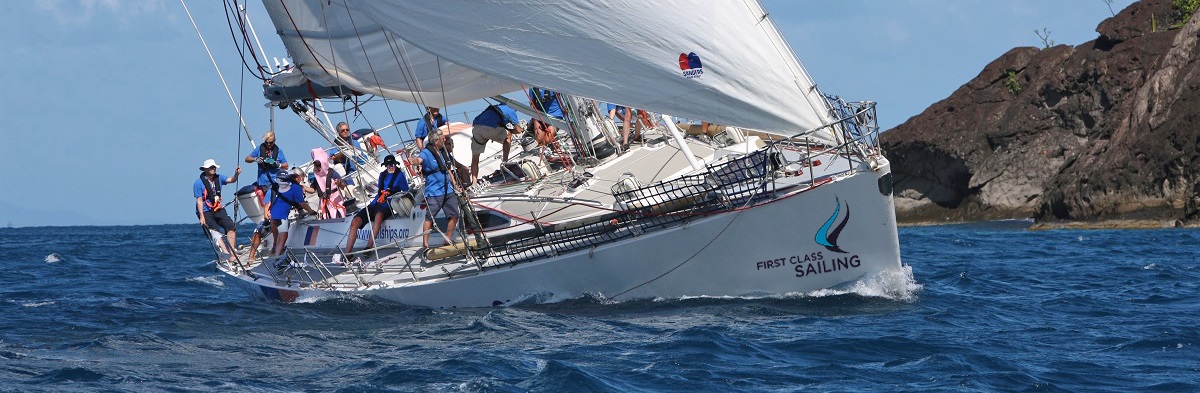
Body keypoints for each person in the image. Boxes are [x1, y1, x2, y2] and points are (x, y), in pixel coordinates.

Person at [344, 154, 410, 256]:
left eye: (393, 164)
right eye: (389, 165)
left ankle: (368, 247)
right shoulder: (382, 175)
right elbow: (380, 188)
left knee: (378, 217)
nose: (391, 167)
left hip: (387, 204)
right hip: (375, 203)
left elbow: (405, 190)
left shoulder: (400, 175)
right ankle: (347, 254)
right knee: (355, 221)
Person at [250, 171, 317, 263]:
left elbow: (269, 204)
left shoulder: (278, 188)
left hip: (277, 215)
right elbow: (302, 203)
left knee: (276, 229)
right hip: (279, 216)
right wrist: (311, 211)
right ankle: (273, 255)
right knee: (278, 233)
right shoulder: (290, 188)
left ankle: (273, 248)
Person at [417, 129, 461, 248]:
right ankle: (425, 244)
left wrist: (455, 185)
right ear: (436, 141)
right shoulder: (426, 153)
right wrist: (415, 162)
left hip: (448, 190)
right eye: (443, 138)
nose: (445, 140)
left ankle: (447, 238)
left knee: (454, 215)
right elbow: (419, 160)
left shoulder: (442, 152)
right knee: (429, 217)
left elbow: (447, 170)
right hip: (435, 192)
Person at [194, 159, 241, 259]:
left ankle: (232, 252)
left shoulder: (219, 178)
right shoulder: (198, 183)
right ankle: (226, 253)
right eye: (211, 167)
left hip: (217, 208)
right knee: (215, 231)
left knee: (230, 226)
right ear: (206, 169)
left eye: (214, 167)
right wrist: (201, 216)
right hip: (206, 210)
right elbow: (199, 201)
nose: (213, 168)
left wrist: (236, 174)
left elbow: (232, 180)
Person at [469, 103, 522, 181]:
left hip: (476, 128)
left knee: (475, 158)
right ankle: (505, 162)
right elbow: (519, 130)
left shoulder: (495, 107)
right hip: (489, 128)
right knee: (508, 135)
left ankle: (474, 182)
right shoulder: (511, 110)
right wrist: (510, 131)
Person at [244, 131, 288, 204]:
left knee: (275, 200)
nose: (268, 144)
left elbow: (286, 166)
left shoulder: (279, 151)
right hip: (264, 183)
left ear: (274, 141)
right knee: (270, 202)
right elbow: (247, 159)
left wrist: (278, 165)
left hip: (276, 182)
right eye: (266, 142)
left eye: (271, 142)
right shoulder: (259, 149)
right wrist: (255, 159)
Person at [310, 147, 347, 219]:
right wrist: (302, 186)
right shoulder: (316, 178)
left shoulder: (332, 173)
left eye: (319, 165)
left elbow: (343, 186)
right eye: (316, 165)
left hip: (336, 202)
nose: (318, 168)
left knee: (338, 214)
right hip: (324, 205)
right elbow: (312, 190)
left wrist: (339, 183)